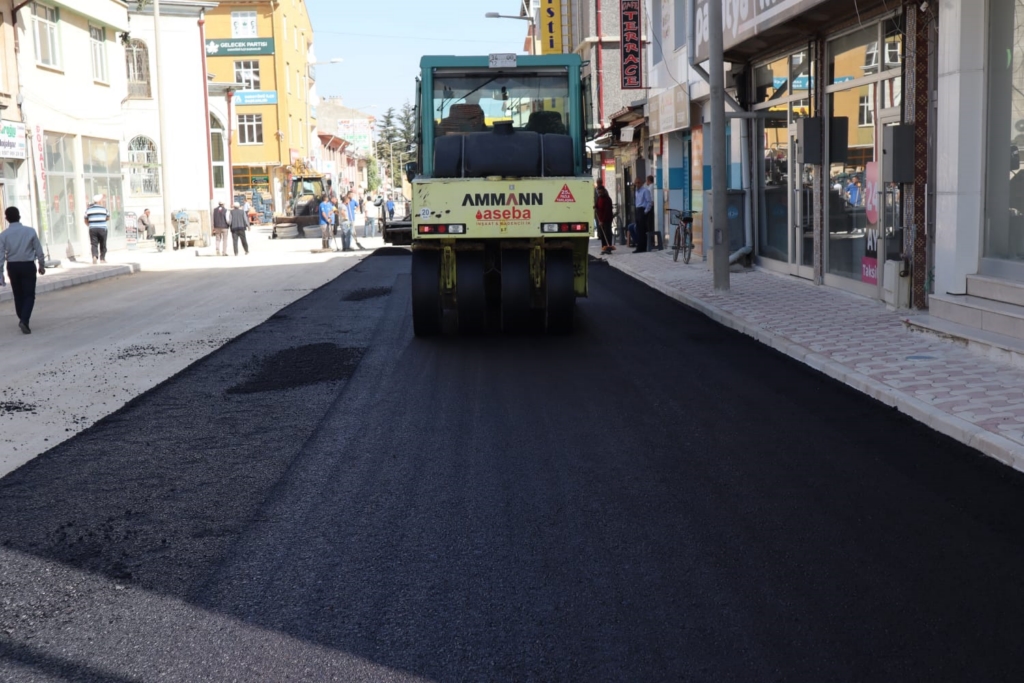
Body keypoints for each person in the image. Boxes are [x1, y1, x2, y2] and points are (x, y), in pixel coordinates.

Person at [0, 207, 46, 334]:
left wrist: (1, 273)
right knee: (29, 294)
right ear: (19, 216)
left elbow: (0, 255)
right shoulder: (30, 231)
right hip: (27, 266)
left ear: (7, 218)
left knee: (18, 294)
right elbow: (39, 250)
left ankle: (22, 318)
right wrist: (41, 265)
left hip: (13, 267)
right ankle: (24, 320)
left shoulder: (3, 235)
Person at [84, 194, 110, 264]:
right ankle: (102, 259)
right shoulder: (104, 209)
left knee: (94, 243)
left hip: (92, 228)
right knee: (103, 243)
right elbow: (108, 218)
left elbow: (85, 220)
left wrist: (90, 225)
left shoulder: (88, 209)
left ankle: (94, 256)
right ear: (100, 201)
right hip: (102, 228)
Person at [632, 176, 652, 253]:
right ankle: (639, 246)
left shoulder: (645, 191)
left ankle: (642, 247)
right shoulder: (636, 191)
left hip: (642, 210)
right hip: (638, 210)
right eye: (636, 182)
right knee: (638, 229)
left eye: (639, 182)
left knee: (642, 230)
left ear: (642, 183)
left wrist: (645, 212)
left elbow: (649, 202)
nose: (637, 184)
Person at [595, 184, 615, 255]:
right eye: (599, 192)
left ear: (604, 191)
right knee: (602, 234)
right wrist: (595, 207)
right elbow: (597, 205)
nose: (600, 194)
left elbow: (607, 211)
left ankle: (608, 248)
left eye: (601, 192)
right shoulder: (599, 198)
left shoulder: (607, 199)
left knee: (607, 233)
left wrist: (602, 221)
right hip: (600, 219)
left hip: (607, 219)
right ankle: (604, 247)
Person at [647, 175, 662, 249]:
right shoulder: (653, 187)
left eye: (647, 181)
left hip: (651, 207)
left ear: (649, 181)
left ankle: (652, 242)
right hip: (653, 207)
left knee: (650, 225)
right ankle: (652, 241)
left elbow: (651, 199)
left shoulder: (650, 187)